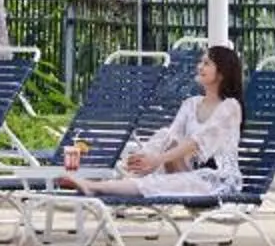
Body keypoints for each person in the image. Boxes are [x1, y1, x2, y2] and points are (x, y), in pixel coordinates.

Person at [68, 44, 246, 200]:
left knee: (160, 180)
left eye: (207, 63)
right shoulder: (191, 103)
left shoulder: (230, 107)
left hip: (218, 182)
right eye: (201, 62)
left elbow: (196, 143)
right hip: (188, 172)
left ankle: (96, 187)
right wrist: (149, 159)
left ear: (222, 72)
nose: (200, 66)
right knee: (164, 135)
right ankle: (133, 172)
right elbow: (171, 138)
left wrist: (157, 159)